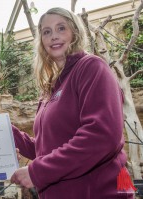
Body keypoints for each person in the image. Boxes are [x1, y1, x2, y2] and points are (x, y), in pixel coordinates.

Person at [10, 7, 135, 199]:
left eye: (61, 28)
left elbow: (101, 136)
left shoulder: (91, 68)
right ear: (41, 41)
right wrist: (4, 130)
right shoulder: (50, 88)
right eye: (46, 32)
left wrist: (38, 172)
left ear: (75, 32)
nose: (53, 36)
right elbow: (44, 148)